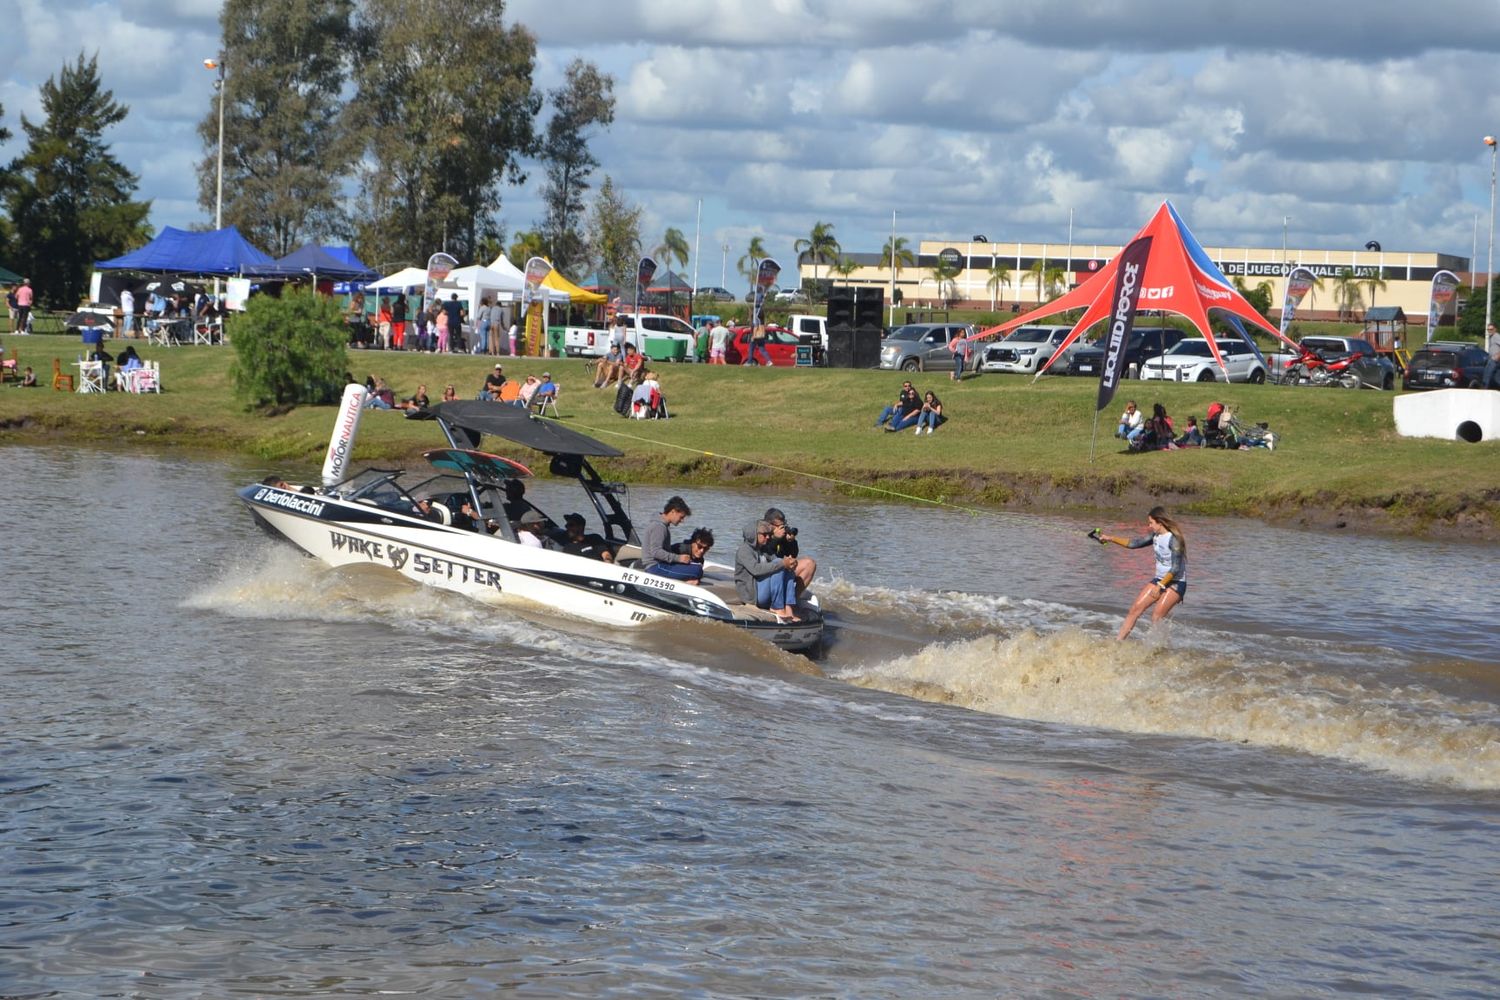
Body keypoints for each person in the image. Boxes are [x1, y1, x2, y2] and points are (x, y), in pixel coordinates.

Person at [1090, 506, 1187, 641]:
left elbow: (1175, 568)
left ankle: (1160, 648)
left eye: (1151, 523)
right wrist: (1110, 538)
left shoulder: (1174, 540)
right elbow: (1134, 544)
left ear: (1160, 522)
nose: (1149, 526)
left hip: (1176, 583)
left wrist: (1160, 586)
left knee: (1156, 617)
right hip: (1160, 579)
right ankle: (1118, 643)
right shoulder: (1155, 536)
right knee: (1135, 609)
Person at [734, 519, 800, 623]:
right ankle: (777, 607)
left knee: (785, 567)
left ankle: (788, 607)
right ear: (754, 534)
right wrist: (782, 563)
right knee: (779, 564)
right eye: (764, 534)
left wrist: (790, 563)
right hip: (752, 595)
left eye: (768, 534)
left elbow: (778, 562)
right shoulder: (744, 550)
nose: (768, 537)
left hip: (763, 591)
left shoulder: (764, 549)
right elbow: (756, 570)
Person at [641, 495, 701, 583]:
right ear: (673, 512)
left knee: (696, 567)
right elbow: (656, 552)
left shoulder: (662, 525)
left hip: (660, 564)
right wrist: (679, 558)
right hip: (655, 567)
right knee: (697, 571)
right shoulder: (659, 527)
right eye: (681, 517)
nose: (682, 521)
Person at [763, 507, 816, 594]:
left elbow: (793, 555)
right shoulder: (760, 533)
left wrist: (791, 541)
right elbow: (765, 554)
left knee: (810, 564)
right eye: (779, 526)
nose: (782, 528)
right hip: (764, 573)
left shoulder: (782, 534)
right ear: (769, 524)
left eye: (783, 525)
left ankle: (792, 600)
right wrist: (775, 538)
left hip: (780, 569)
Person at [1483, 323, 1500, 390]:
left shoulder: (1496, 336)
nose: (1489, 331)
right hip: (1494, 360)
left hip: (1495, 360)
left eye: (1491, 329)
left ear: (1495, 329)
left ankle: (1484, 390)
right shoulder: (1491, 337)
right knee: (1497, 378)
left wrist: (1498, 355)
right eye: (1488, 329)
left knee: (1487, 375)